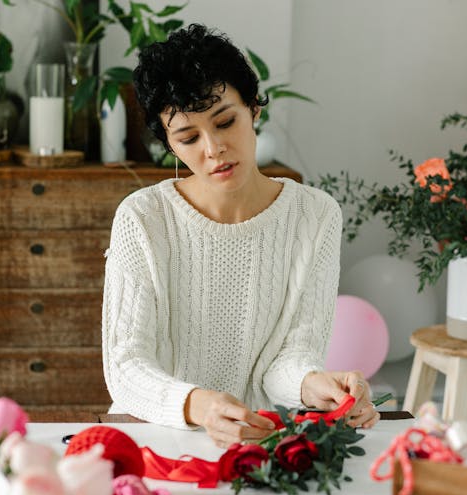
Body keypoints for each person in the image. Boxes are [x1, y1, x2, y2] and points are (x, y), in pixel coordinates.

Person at [102, 24, 379, 447]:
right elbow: (125, 366)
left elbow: (287, 359)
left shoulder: (314, 215)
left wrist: (313, 385)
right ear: (171, 147)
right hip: (158, 443)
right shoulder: (142, 218)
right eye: (189, 138)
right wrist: (200, 405)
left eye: (225, 122)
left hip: (258, 446)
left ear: (254, 109)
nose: (213, 149)